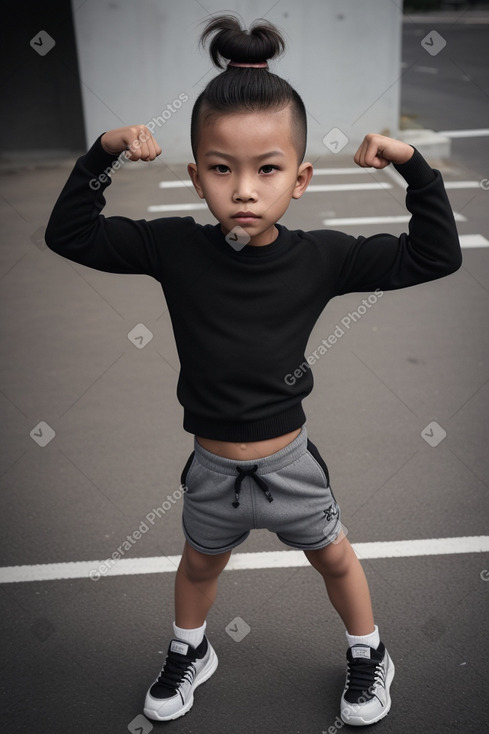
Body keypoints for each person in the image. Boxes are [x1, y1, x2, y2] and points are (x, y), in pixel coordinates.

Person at [45, 14, 462, 728]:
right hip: (212, 468)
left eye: (266, 168)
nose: (243, 189)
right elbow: (69, 233)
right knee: (199, 565)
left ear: (298, 179)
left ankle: (370, 651)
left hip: (290, 465)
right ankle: (189, 650)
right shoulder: (172, 247)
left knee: (335, 560)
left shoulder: (322, 256)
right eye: (221, 167)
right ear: (195, 174)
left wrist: (410, 165)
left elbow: (434, 255)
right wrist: (101, 154)